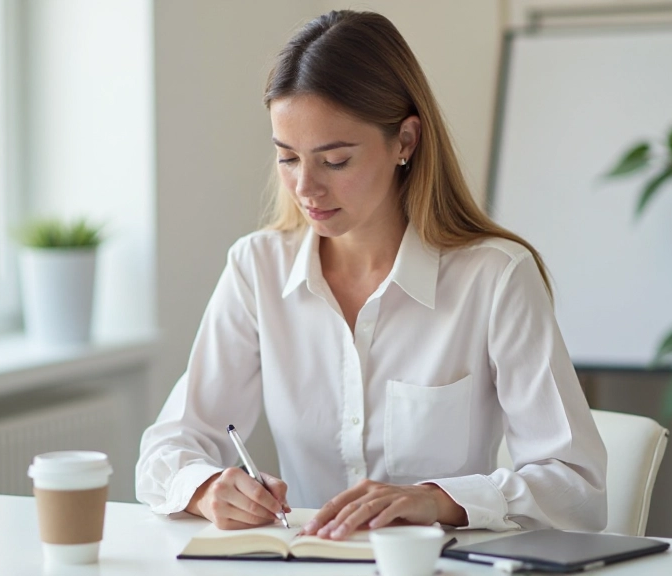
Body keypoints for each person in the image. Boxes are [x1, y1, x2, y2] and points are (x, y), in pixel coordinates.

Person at [136, 9, 606, 540]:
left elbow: (578, 488)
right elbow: (166, 450)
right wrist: (206, 487)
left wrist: (437, 501)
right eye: (288, 158)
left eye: (335, 161)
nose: (306, 188)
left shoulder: (495, 278)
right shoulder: (257, 269)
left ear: (405, 141)